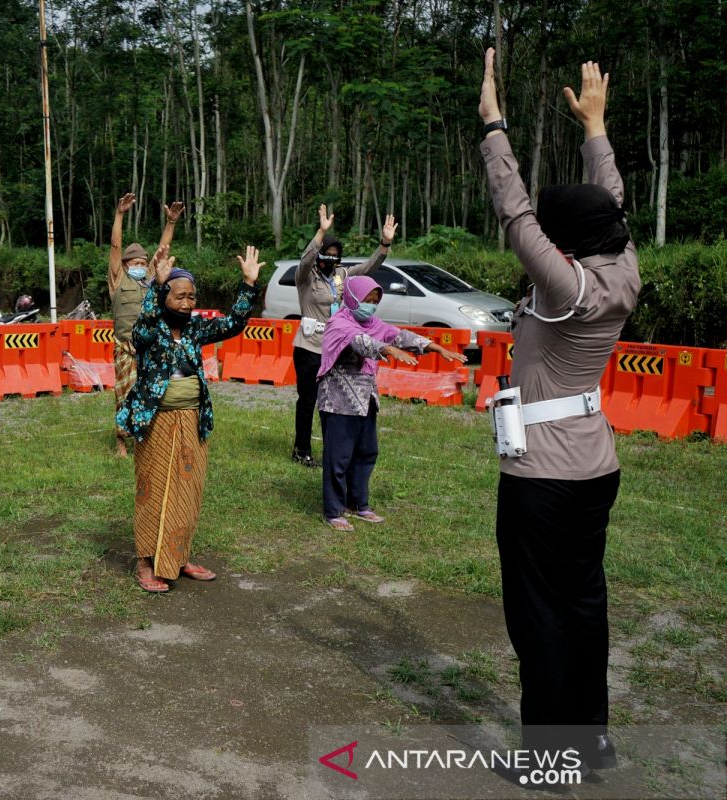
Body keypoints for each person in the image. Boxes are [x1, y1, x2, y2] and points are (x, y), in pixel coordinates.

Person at [478, 50, 638, 771]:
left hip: (542, 477)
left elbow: (513, 211)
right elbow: (613, 201)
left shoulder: (566, 284)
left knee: (538, 616)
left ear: (563, 240)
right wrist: (595, 127)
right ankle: (592, 737)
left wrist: (494, 126)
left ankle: (550, 757)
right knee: (582, 605)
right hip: (593, 467)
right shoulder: (621, 265)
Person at [118, 245, 263, 593]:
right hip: (156, 421)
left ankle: (178, 557)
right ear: (164, 297)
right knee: (150, 490)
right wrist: (156, 285)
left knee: (189, 489)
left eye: (191, 297)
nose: (186, 303)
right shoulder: (149, 330)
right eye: (179, 296)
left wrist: (248, 285)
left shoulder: (197, 328)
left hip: (191, 419)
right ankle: (145, 561)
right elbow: (142, 329)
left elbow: (233, 324)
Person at [316, 276, 466, 531]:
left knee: (366, 452)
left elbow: (399, 335)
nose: (371, 306)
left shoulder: (373, 323)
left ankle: (358, 504)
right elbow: (359, 341)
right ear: (352, 298)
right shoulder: (339, 323)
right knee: (338, 457)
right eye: (367, 300)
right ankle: (333, 511)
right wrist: (386, 350)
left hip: (366, 399)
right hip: (338, 400)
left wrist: (433, 347)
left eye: (375, 301)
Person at [291, 206, 397, 467]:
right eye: (327, 254)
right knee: (308, 399)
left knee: (332, 401)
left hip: (335, 347)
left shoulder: (341, 275)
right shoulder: (305, 277)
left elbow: (368, 267)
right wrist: (321, 232)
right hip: (309, 346)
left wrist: (384, 244)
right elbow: (306, 259)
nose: (331, 259)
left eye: (336, 256)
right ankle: (301, 449)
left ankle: (334, 449)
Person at [108, 194, 184, 457]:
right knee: (124, 393)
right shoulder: (118, 281)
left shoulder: (149, 281)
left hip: (149, 347)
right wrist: (120, 215)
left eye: (143, 263)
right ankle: (121, 440)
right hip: (124, 348)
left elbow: (163, 252)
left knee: (152, 391)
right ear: (126, 266)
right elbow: (116, 246)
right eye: (135, 264)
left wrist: (171, 223)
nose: (140, 267)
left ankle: (147, 437)